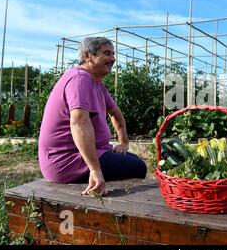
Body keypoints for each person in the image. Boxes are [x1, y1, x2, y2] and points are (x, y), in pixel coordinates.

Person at [38, 37, 147, 196]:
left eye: (113, 54)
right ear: (87, 56)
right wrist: (95, 170)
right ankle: (113, 209)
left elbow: (115, 113)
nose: (113, 59)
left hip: (89, 153)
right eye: (107, 53)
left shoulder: (97, 83)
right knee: (137, 167)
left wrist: (123, 142)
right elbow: (79, 123)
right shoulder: (79, 79)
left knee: (133, 160)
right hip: (66, 161)